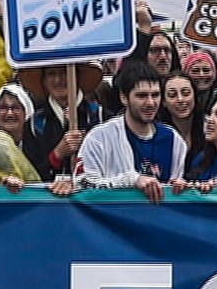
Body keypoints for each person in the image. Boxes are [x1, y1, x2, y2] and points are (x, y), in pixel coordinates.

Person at [77, 67, 186, 202]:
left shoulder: (174, 140)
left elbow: (174, 194)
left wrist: (179, 187)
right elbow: (82, 186)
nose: (151, 103)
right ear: (124, 97)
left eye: (156, 95)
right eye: (142, 96)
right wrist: (132, 180)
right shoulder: (98, 138)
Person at [23, 64, 105, 179]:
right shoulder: (34, 125)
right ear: (44, 81)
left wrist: (87, 145)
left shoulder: (101, 116)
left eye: (64, 72)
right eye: (51, 74)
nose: (58, 80)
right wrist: (57, 154)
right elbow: (31, 175)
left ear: (77, 77)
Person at [0, 83, 47, 178]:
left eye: (15, 108)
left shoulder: (39, 143)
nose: (9, 113)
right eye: (3, 108)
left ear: (25, 112)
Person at [160, 73, 200, 153]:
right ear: (164, 101)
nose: (180, 99)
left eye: (185, 93)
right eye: (172, 95)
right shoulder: (157, 134)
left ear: (195, 96)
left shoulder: (208, 128)